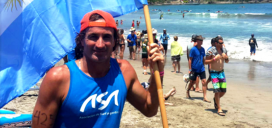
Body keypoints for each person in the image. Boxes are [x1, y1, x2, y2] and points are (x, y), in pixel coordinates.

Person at [32, 10, 164, 128]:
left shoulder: (123, 71)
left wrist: (158, 72)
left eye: (106, 37)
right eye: (93, 37)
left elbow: (149, 109)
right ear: (82, 40)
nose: (100, 44)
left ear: (114, 41)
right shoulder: (58, 78)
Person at [205, 36, 229, 116]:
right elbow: (205, 62)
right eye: (220, 43)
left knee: (223, 91)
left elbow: (227, 61)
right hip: (214, 73)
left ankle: (216, 99)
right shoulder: (211, 51)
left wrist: (226, 58)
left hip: (221, 73)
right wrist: (214, 59)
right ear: (216, 43)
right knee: (217, 90)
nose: (222, 44)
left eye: (223, 42)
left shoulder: (224, 50)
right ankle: (219, 108)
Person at [186, 35, 211, 103]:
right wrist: (190, 69)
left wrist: (204, 65)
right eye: (200, 40)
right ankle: (188, 91)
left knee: (204, 82)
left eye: (202, 40)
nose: (202, 41)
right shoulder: (193, 49)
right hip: (194, 68)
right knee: (192, 82)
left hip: (201, 69)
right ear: (197, 41)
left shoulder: (203, 49)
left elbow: (203, 59)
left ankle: (205, 97)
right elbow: (190, 59)